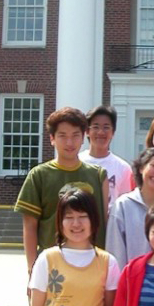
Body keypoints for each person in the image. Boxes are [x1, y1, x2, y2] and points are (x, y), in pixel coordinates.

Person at [15, 107, 109, 274]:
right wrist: (32, 269)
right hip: (52, 265)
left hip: (91, 264)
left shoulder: (98, 175)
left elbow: (103, 221)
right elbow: (30, 226)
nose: (69, 143)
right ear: (52, 138)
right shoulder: (39, 175)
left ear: (83, 137)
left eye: (75, 135)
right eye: (62, 136)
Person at [80, 105, 134, 209]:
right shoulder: (77, 162)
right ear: (87, 131)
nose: (101, 132)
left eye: (106, 127)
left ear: (113, 132)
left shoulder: (123, 168)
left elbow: (126, 206)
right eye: (95, 127)